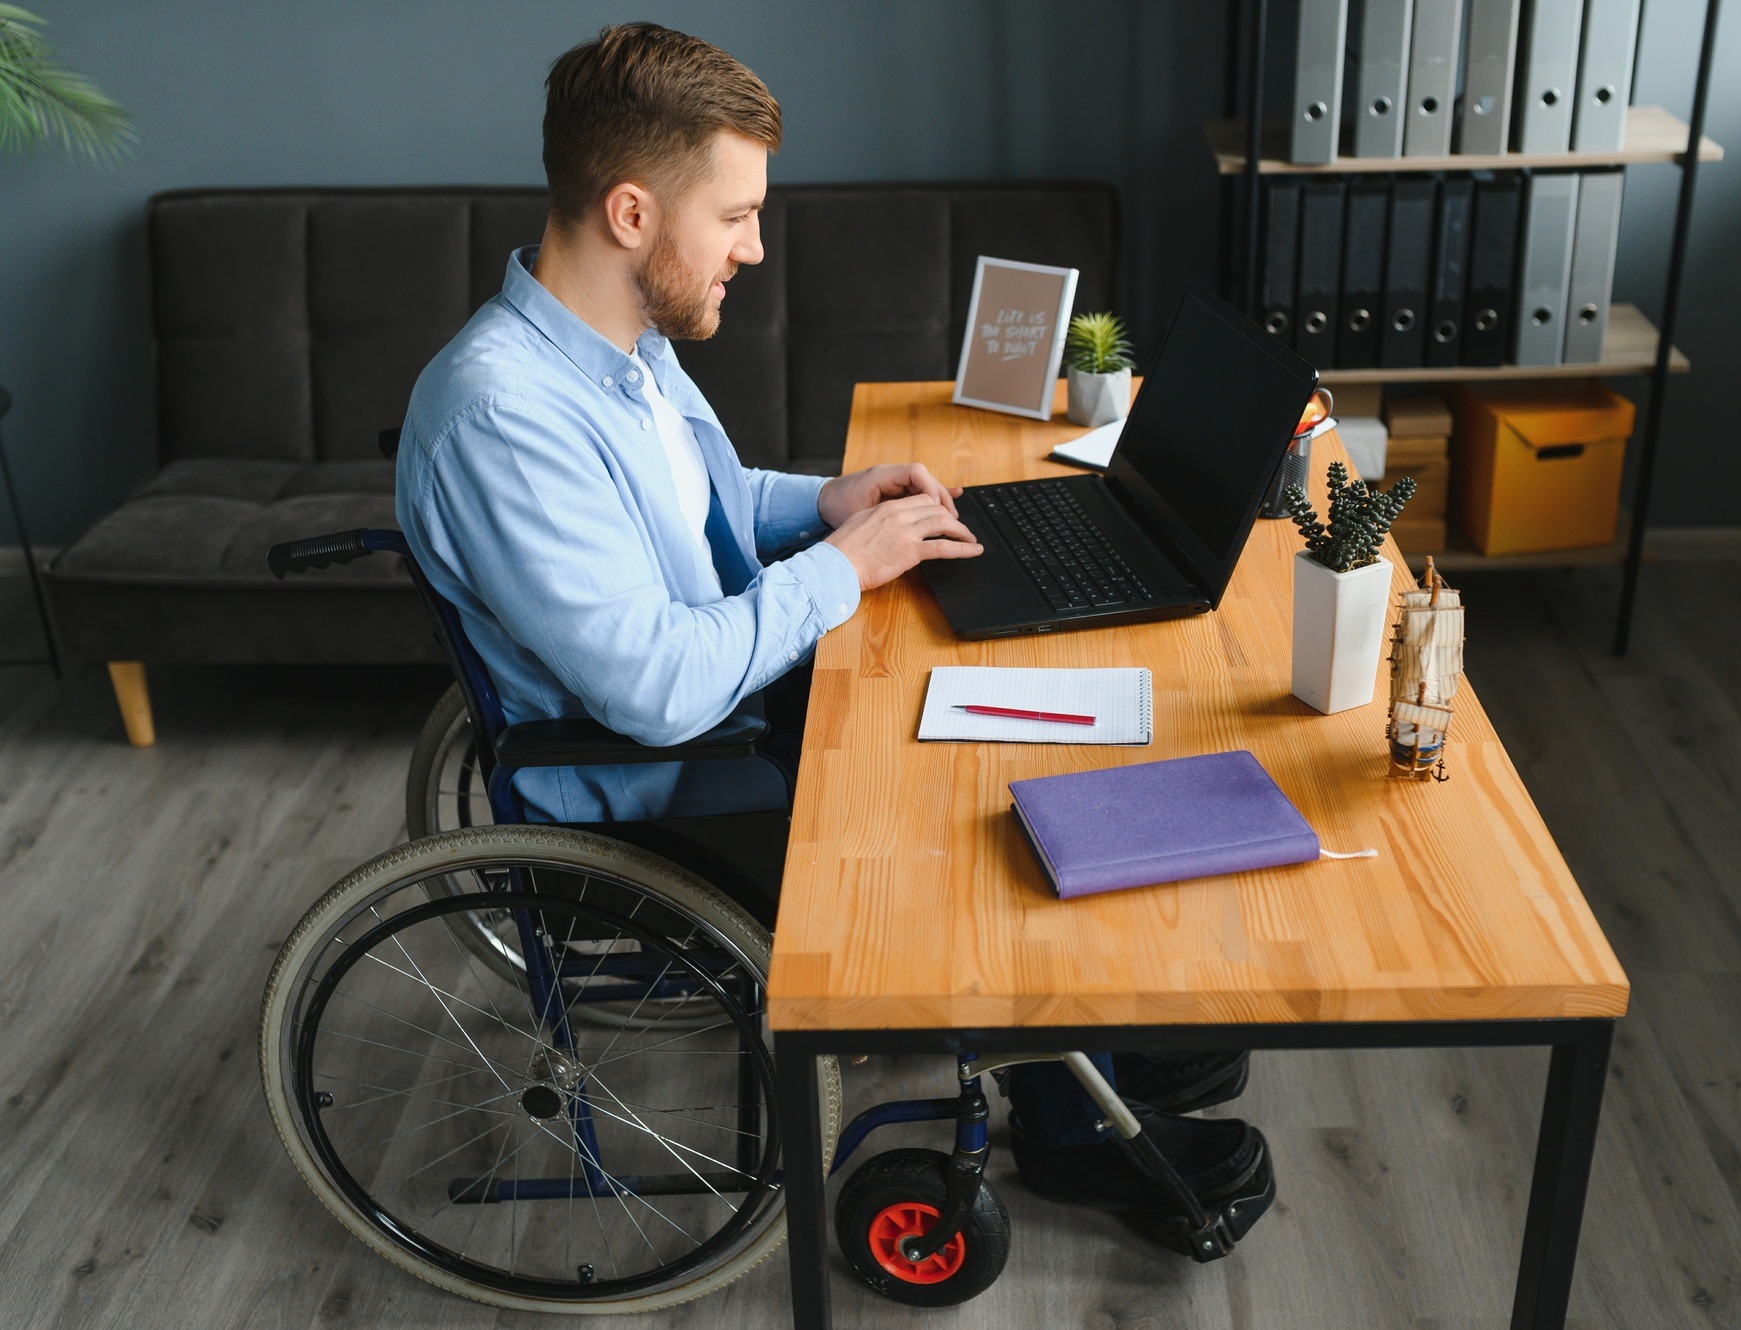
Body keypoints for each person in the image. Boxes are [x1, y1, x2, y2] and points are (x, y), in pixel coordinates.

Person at [395, 21, 1267, 1244]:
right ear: (633, 213)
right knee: (987, 800)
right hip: (674, 797)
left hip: (744, 714)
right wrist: (842, 569)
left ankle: (1091, 1046)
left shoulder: (611, 349)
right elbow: (656, 689)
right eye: (737, 216)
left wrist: (826, 505)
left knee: (1026, 693)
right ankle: (1073, 1127)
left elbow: (703, 497)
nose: (754, 247)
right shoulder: (502, 415)